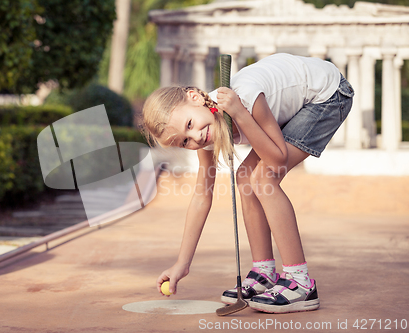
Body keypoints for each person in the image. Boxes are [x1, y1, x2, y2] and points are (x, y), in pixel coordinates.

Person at [140, 53, 354, 314]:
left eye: (189, 125)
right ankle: (264, 274)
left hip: (327, 95)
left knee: (264, 178)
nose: (195, 137)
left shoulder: (245, 98)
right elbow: (201, 196)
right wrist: (182, 264)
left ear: (195, 97)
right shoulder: (204, 128)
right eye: (185, 141)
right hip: (296, 103)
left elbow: (277, 160)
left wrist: (240, 113)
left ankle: (301, 284)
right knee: (244, 177)